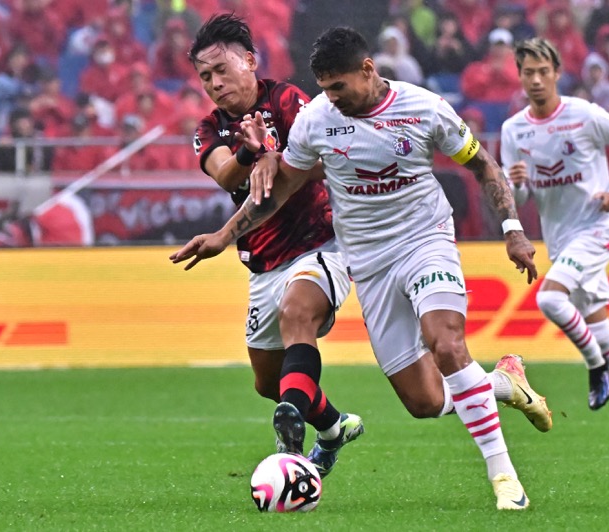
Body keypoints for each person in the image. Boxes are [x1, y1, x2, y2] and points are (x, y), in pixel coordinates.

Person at [171, 26, 554, 511]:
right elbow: (277, 186)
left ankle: (506, 482)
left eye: (337, 87)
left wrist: (513, 229)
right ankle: (502, 382)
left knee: (446, 342)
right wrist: (225, 235)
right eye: (325, 88)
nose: (329, 98)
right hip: (365, 263)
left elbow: (483, 167)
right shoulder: (316, 120)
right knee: (424, 402)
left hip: (417, 241)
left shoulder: (422, 108)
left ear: (368, 70)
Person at [184, 14, 364, 478]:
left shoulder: (286, 99)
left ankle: (291, 444)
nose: (215, 84)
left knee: (297, 316)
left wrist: (275, 157)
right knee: (270, 382)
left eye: (222, 70)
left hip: (320, 242)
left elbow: (324, 155)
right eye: (206, 77)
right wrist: (250, 153)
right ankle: (333, 427)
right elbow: (225, 172)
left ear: (249, 61)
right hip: (263, 263)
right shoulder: (208, 129)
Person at [501, 38, 609, 438]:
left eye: (543, 71)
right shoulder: (513, 129)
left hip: (596, 229)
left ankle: (594, 366)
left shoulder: (584, 114)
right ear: (520, 77)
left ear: (557, 73)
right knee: (602, 329)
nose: (536, 80)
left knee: (550, 298)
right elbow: (518, 197)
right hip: (560, 239)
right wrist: (517, 184)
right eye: (528, 73)